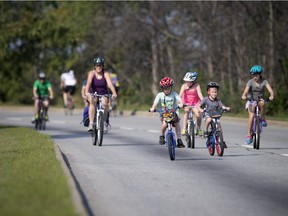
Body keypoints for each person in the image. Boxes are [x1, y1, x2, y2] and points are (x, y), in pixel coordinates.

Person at [241, 65, 274, 145]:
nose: (254, 77)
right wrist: (244, 96)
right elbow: (245, 92)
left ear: (260, 74)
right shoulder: (250, 82)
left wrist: (271, 95)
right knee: (251, 116)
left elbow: (271, 91)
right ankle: (249, 135)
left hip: (260, 100)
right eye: (253, 75)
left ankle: (262, 119)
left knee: (262, 103)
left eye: (256, 75)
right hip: (251, 101)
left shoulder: (264, 81)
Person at [149, 77, 185, 148]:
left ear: (171, 88)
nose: (167, 90)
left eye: (168, 88)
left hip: (173, 113)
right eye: (165, 88)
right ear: (162, 89)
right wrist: (153, 108)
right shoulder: (160, 95)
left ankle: (179, 139)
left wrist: (180, 104)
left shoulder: (174, 94)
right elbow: (155, 103)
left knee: (177, 123)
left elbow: (180, 100)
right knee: (165, 124)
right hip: (164, 113)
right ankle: (162, 135)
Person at [85, 56, 117, 132]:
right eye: (97, 65)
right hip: (93, 93)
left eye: (100, 65)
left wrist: (114, 93)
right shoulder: (91, 73)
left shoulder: (105, 73)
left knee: (104, 103)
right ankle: (91, 123)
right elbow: (88, 83)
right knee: (93, 101)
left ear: (103, 66)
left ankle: (105, 122)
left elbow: (109, 84)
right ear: (95, 66)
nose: (99, 67)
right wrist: (87, 92)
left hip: (103, 93)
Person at [179, 72, 204, 136]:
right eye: (186, 81)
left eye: (189, 81)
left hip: (195, 103)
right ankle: (184, 128)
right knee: (186, 111)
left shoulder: (197, 85)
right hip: (186, 103)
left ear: (193, 81)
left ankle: (198, 128)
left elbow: (200, 94)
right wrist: (179, 102)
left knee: (198, 114)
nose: (187, 83)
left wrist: (203, 101)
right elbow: (180, 95)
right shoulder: (184, 86)